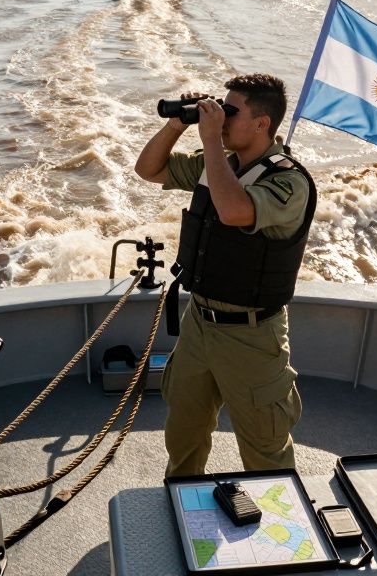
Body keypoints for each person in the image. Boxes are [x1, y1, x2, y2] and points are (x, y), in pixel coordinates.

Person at [135, 73, 317, 477]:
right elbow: (148, 169)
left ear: (262, 123)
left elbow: (235, 210)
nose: (220, 118)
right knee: (184, 431)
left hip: (252, 336)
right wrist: (176, 124)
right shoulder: (217, 165)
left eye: (231, 112)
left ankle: (279, 530)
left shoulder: (288, 182)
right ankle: (180, 503)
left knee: (264, 448)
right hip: (199, 322)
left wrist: (211, 141)